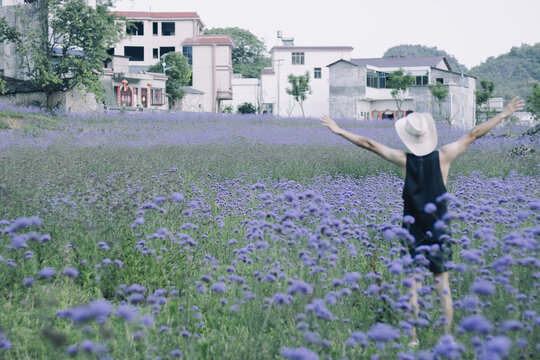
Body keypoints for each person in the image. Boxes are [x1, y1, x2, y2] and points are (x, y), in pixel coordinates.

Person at [320, 97, 524, 345]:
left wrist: (339, 130)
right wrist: (503, 114)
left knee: (413, 288)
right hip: (439, 233)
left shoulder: (404, 160)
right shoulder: (445, 156)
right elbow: (474, 134)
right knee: (443, 286)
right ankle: (446, 337)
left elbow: (369, 144)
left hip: (412, 233)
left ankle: (413, 339)